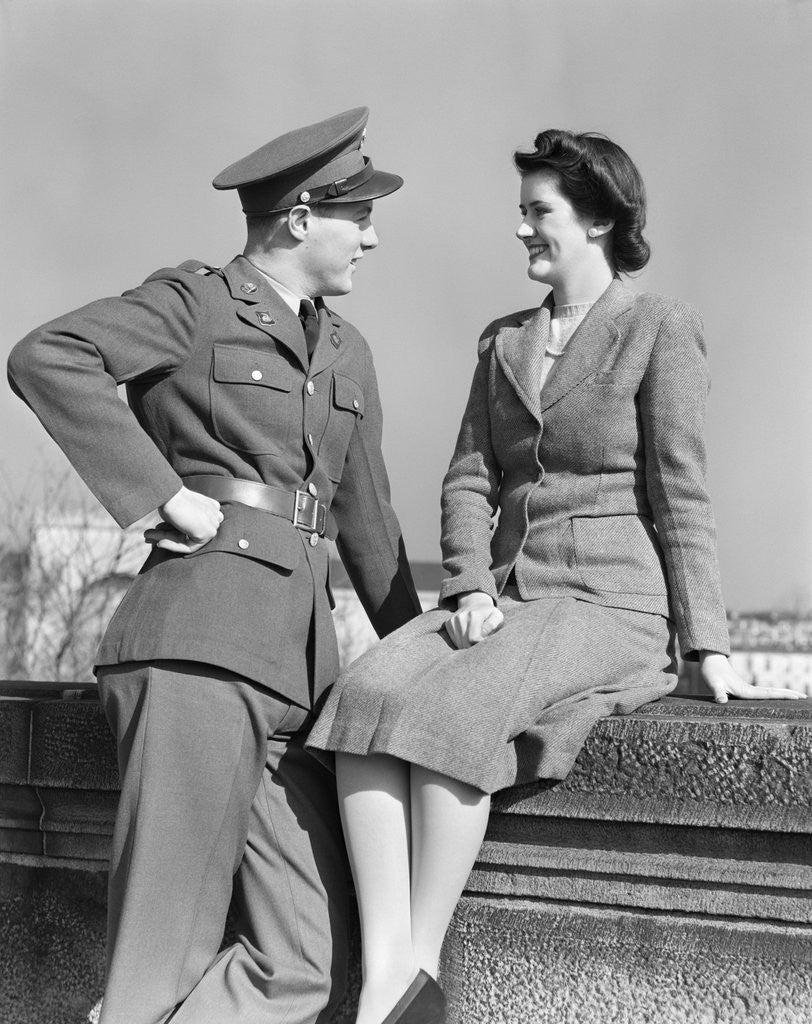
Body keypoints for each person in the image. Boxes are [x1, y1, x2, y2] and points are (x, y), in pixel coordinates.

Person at [306, 128, 806, 1024]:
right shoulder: (503, 341)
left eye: (539, 212)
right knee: (369, 689)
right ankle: (391, 974)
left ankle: (415, 965)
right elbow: (469, 479)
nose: (522, 230)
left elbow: (681, 490)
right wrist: (465, 589)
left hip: (611, 600)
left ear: (601, 221)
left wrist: (710, 644)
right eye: (523, 212)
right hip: (508, 594)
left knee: (457, 711)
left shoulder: (660, 327)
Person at [7, 107, 421, 1024]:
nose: (375, 237)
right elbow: (49, 356)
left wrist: (428, 653)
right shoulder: (196, 304)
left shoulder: (350, 352)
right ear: (301, 216)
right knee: (162, 954)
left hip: (301, 679)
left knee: (303, 965)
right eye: (360, 214)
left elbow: (370, 524)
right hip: (199, 646)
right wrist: (160, 495)